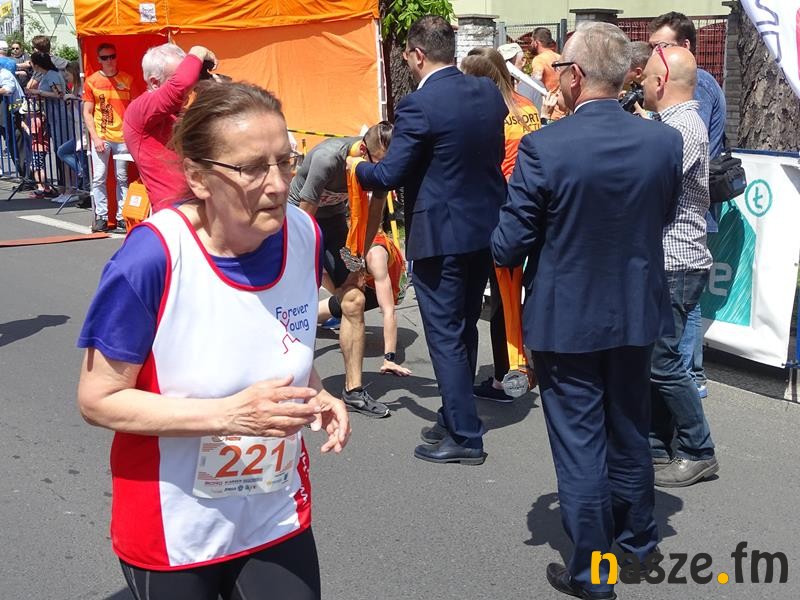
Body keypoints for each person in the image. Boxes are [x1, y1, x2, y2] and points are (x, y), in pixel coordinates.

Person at [76, 80, 350, 600]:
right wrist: (228, 415)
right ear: (198, 177)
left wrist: (315, 392)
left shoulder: (304, 235)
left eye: (285, 161)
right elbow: (98, 399)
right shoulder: (153, 258)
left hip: (272, 509)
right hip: (175, 525)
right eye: (252, 168)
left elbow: (284, 340)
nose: (278, 184)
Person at [491, 21, 683, 599]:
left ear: (574, 76)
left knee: (580, 445)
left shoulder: (546, 146)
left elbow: (509, 245)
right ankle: (638, 546)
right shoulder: (661, 142)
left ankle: (594, 572)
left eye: (558, 71)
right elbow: (662, 215)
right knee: (629, 429)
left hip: (567, 316)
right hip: (634, 308)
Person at [353, 15, 507, 464]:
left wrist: (357, 167)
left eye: (406, 56)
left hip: (441, 234)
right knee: (463, 327)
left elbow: (390, 173)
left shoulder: (418, 105)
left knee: (445, 335)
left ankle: (465, 437)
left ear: (418, 55)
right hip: (484, 228)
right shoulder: (485, 91)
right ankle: (456, 413)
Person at [641, 45, 719, 488]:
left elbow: (652, 191)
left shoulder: (681, 130)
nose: (640, 83)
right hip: (672, 259)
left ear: (661, 82)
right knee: (657, 357)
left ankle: (698, 449)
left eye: (646, 76)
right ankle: (657, 444)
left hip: (676, 261)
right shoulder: (671, 125)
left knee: (664, 360)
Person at [290, 122, 394, 418]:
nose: (379, 171)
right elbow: (305, 216)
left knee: (354, 299)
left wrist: (357, 262)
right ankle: (285, 385)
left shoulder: (379, 166)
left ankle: (354, 391)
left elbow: (373, 215)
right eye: (377, 163)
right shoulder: (328, 158)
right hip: (300, 222)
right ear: (363, 151)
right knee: (294, 303)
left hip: (334, 223)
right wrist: (300, 268)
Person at [649, 11, 727, 400]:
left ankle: (690, 378)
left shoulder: (698, 90)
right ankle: (684, 380)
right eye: (652, 47)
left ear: (685, 48)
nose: (655, 54)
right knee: (681, 309)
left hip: (686, 216)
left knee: (683, 309)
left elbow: (688, 154)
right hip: (683, 216)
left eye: (662, 46)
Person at [460, 46, 541, 402]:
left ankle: (505, 377)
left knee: (500, 297)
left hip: (498, 211)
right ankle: (523, 367)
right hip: (531, 208)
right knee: (516, 294)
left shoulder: (489, 114)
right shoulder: (527, 107)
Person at [124, 43, 217, 212]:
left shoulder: (179, 113)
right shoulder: (139, 110)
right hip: (175, 211)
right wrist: (197, 51)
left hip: (200, 205)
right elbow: (180, 85)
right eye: (176, 75)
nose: (191, 86)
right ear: (154, 82)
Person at [317, 227, 412, 377]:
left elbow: (389, 311)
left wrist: (389, 359)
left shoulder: (375, 256)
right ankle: (338, 313)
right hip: (364, 277)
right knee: (322, 311)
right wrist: (344, 303)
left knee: (316, 314)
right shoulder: (346, 245)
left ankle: (338, 311)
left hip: (387, 285)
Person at [83, 43, 134, 233]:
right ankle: (102, 217)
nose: (109, 61)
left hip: (122, 137)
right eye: (105, 58)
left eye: (112, 56)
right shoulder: (92, 81)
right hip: (102, 136)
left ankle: (121, 217)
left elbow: (136, 107)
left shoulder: (127, 79)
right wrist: (95, 138)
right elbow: (87, 112)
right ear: (99, 60)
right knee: (99, 178)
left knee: (122, 177)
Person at [56, 61, 90, 195]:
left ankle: (85, 185)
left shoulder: (82, 89)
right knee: (62, 151)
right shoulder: (75, 87)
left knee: (69, 153)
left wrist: (74, 98)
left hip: (84, 132)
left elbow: (84, 109)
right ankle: (81, 172)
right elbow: (73, 112)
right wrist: (70, 102)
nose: (66, 77)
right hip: (78, 132)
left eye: (68, 74)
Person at [529, 27, 564, 120]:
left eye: (532, 41)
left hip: (549, 111)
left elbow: (537, 78)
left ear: (536, 42)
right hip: (563, 110)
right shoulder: (560, 58)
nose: (531, 44)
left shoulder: (539, 59)